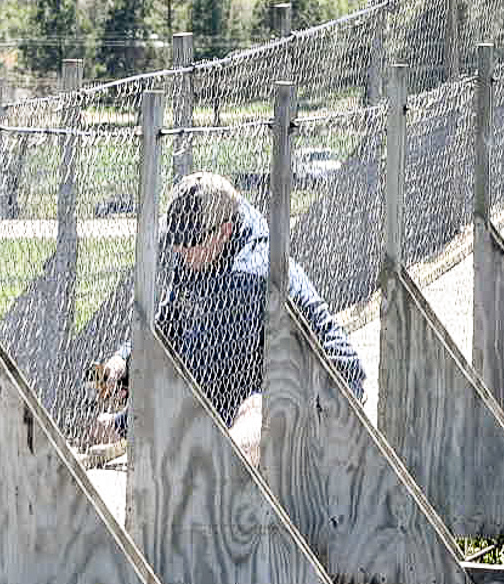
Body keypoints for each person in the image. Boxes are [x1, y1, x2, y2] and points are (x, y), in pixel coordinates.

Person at [141, 171, 364, 463]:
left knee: (253, 412)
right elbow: (168, 327)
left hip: (330, 395)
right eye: (176, 241)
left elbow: (200, 374)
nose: (179, 250)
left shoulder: (247, 274)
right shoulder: (204, 249)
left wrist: (126, 420)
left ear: (224, 231)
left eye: (189, 243)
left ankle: (220, 479)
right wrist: (125, 364)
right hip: (275, 375)